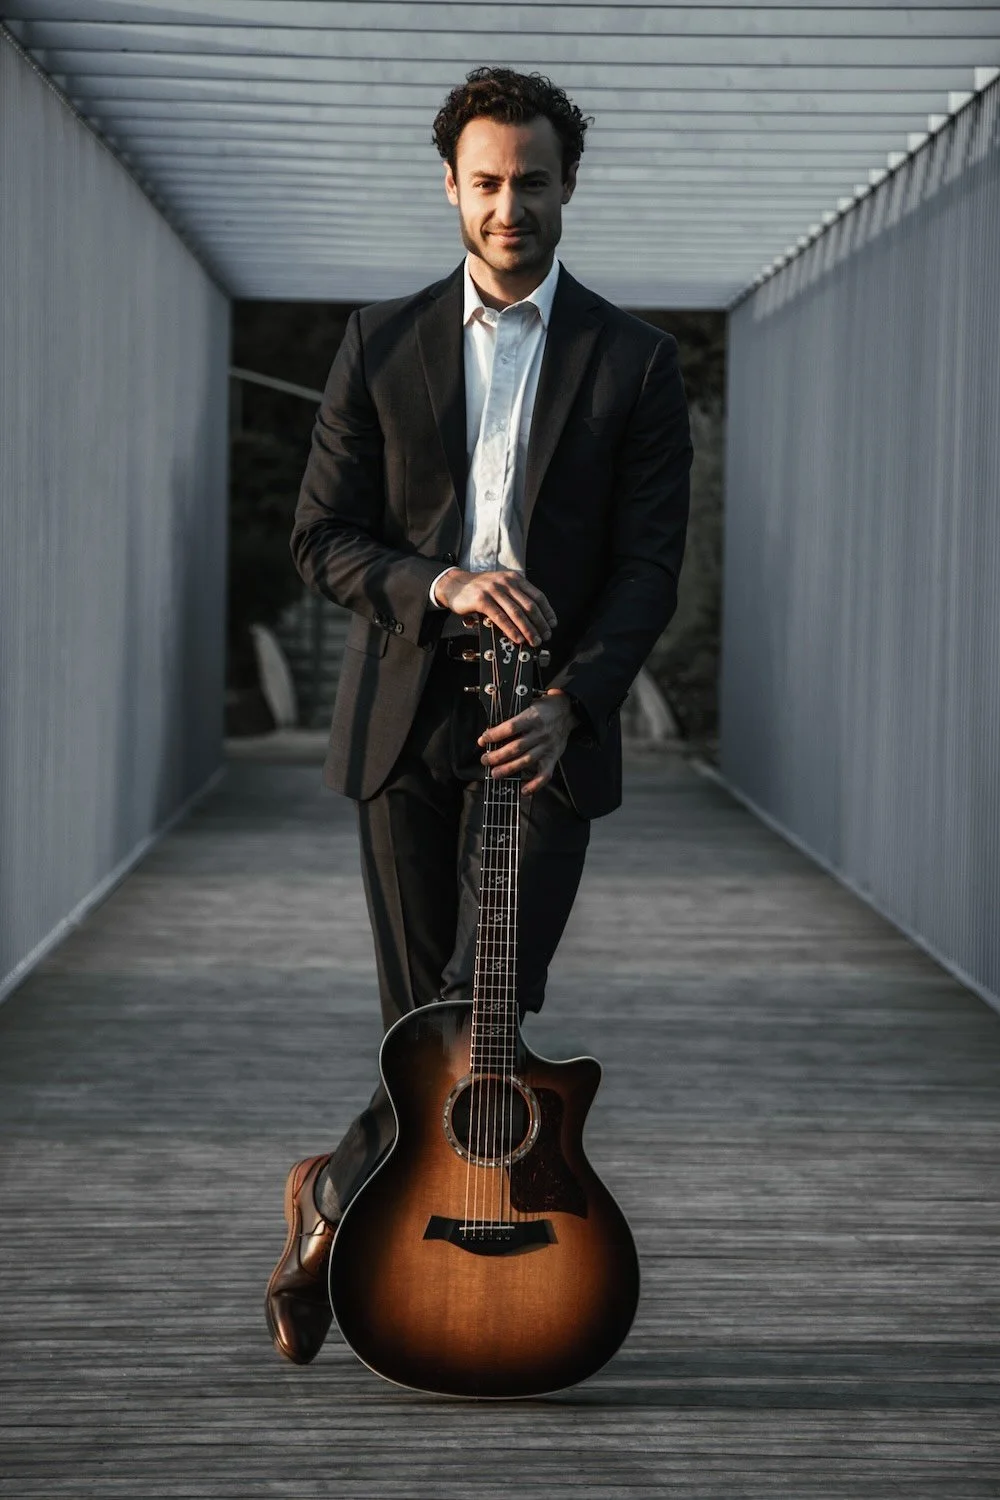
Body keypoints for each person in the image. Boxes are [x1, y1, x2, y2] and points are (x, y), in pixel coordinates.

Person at [266, 66, 693, 1365]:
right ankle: (393, 1248)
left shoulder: (635, 361)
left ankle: (335, 1201)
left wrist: (578, 702)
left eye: (536, 182)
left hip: (548, 727)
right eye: (490, 181)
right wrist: (437, 578)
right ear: (451, 184)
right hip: (408, 718)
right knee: (426, 1036)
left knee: (486, 1015)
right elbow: (319, 541)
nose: (512, 206)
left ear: (570, 187)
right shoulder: (377, 343)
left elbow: (648, 569)